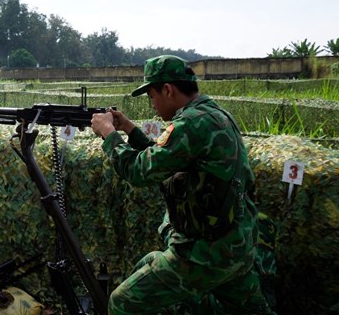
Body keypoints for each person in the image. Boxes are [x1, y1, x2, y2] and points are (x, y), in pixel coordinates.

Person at [90, 55, 275, 314]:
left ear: (167, 90)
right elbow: (167, 157)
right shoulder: (212, 114)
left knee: (122, 302)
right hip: (236, 243)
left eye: (151, 96)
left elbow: (139, 172)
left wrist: (108, 134)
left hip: (205, 255)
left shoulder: (190, 124)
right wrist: (130, 129)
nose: (152, 105)